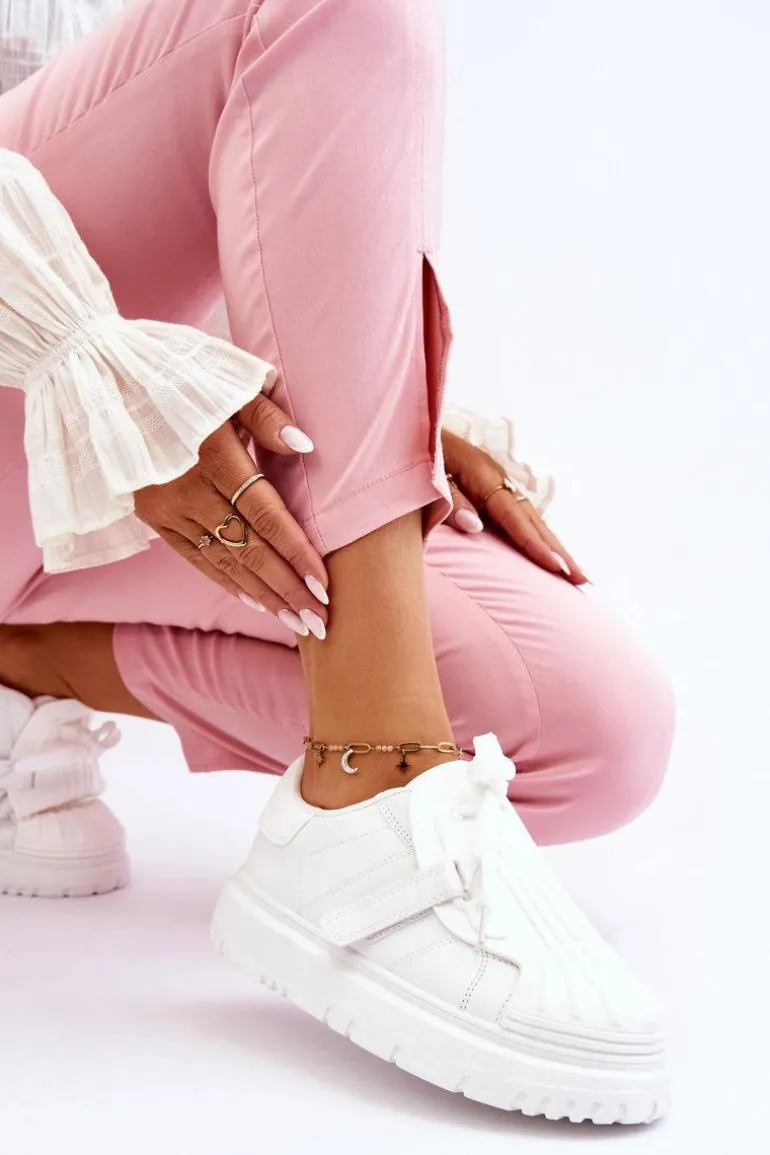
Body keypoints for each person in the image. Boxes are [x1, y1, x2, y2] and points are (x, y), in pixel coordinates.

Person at [0, 0, 675, 1126]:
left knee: (597, 730)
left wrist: (362, 407)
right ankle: (371, 776)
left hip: (49, 455)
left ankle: (26, 663)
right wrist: (83, 348)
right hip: (47, 339)